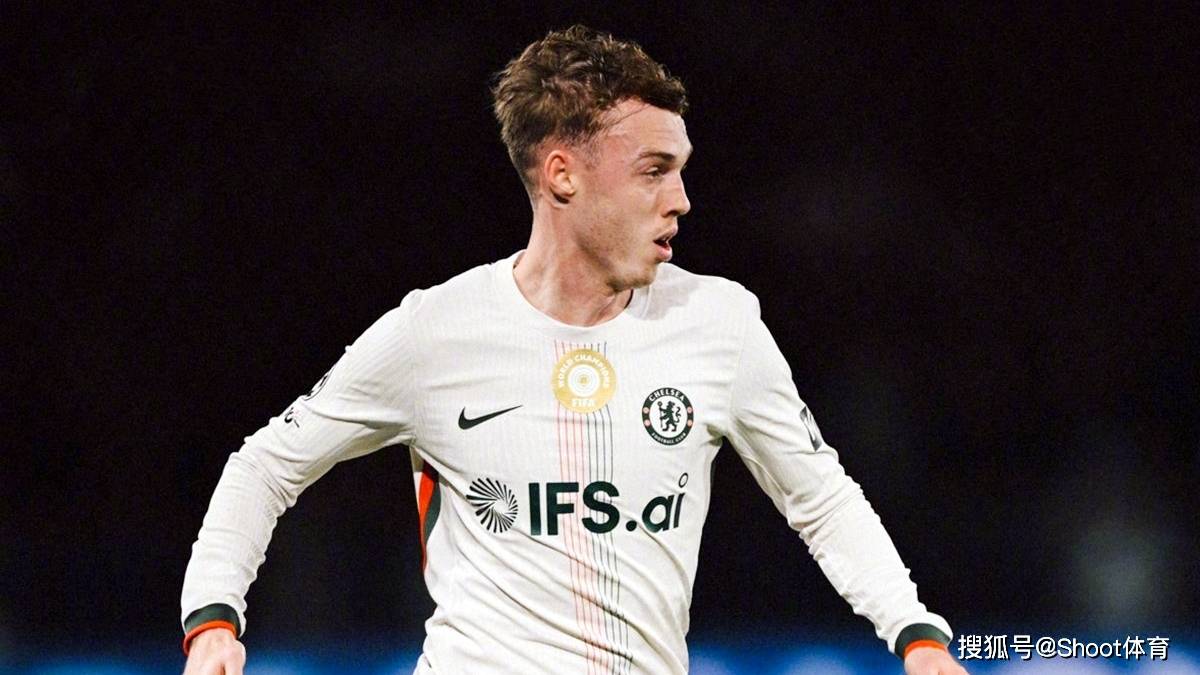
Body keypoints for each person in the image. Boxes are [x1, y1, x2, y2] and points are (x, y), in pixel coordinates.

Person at [181, 25, 968, 675]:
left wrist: (916, 632)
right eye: (654, 171)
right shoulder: (436, 331)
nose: (682, 199)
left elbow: (820, 497)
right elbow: (265, 464)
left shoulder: (719, 323)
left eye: (681, 171)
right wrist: (213, 618)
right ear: (562, 175)